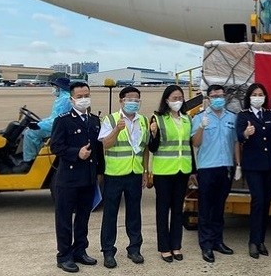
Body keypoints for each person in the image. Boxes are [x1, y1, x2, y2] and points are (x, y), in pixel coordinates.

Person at [50, 81, 104, 273]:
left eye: (86, 95)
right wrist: (76, 153)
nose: (84, 99)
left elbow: (98, 151)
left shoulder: (95, 120)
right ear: (72, 99)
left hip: (88, 178)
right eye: (80, 96)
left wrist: (99, 173)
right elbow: (55, 146)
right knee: (64, 218)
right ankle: (64, 255)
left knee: (83, 217)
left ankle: (80, 250)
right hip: (69, 178)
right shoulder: (63, 120)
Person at [97, 86, 150, 269]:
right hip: (114, 175)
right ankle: (108, 251)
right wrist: (116, 130)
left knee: (134, 213)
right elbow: (105, 145)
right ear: (121, 101)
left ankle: (134, 248)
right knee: (110, 215)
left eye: (137, 99)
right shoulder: (111, 119)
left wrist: (145, 171)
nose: (133, 102)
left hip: (135, 174)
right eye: (130, 99)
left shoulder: (143, 120)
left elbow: (144, 148)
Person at [191, 84, 239, 263]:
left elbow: (235, 142)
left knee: (219, 208)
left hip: (225, 167)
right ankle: (206, 245)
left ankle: (218, 241)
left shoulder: (231, 117)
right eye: (214, 96)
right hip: (207, 168)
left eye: (220, 95)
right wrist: (202, 127)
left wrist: (238, 165)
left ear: (225, 96)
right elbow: (195, 143)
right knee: (205, 208)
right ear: (208, 98)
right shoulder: (200, 117)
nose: (217, 98)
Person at [147, 85, 193, 263]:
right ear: (166, 100)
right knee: (162, 210)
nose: (178, 101)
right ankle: (164, 247)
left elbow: (188, 146)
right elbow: (153, 147)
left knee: (178, 210)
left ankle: (176, 245)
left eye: (180, 98)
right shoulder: (158, 118)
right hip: (164, 171)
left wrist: (193, 171)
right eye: (174, 98)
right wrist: (153, 134)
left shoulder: (187, 119)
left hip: (182, 170)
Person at [235, 83, 271, 259]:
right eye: (254, 94)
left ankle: (261, 240)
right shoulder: (243, 115)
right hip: (253, 166)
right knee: (258, 201)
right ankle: (253, 241)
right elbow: (239, 136)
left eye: (261, 94)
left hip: (268, 166)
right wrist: (246, 133)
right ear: (249, 97)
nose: (258, 97)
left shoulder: (269, 115)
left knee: (266, 202)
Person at [16, 77, 71, 173]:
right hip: (56, 124)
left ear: (59, 87)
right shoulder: (61, 98)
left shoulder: (65, 99)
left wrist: (39, 125)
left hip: (58, 127)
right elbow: (53, 117)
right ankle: (33, 155)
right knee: (30, 130)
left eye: (54, 86)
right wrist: (40, 122)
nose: (53, 88)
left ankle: (28, 161)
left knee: (30, 133)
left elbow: (58, 120)